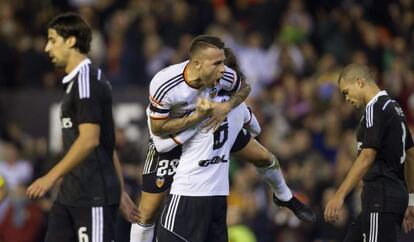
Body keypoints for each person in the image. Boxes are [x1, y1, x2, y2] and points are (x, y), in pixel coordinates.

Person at [131, 44, 315, 242]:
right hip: (171, 141)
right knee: (147, 212)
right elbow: (159, 139)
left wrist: (229, 118)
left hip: (210, 140)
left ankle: (284, 195)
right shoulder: (175, 85)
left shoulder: (230, 97)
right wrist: (194, 124)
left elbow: (254, 124)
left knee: (264, 157)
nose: (222, 77)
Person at [25, 13, 137, 242]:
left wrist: (50, 177)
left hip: (92, 196)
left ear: (71, 41)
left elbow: (90, 139)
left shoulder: (87, 81)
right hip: (70, 196)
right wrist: (120, 189)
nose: (47, 48)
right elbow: (108, 144)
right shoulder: (77, 83)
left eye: (52, 40)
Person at [324, 63, 414, 241]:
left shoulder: (375, 107)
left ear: (359, 82)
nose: (346, 98)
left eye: (346, 92)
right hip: (386, 198)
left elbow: (367, 156)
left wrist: (339, 195)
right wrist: (410, 199)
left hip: (380, 197)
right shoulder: (395, 108)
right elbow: (411, 155)